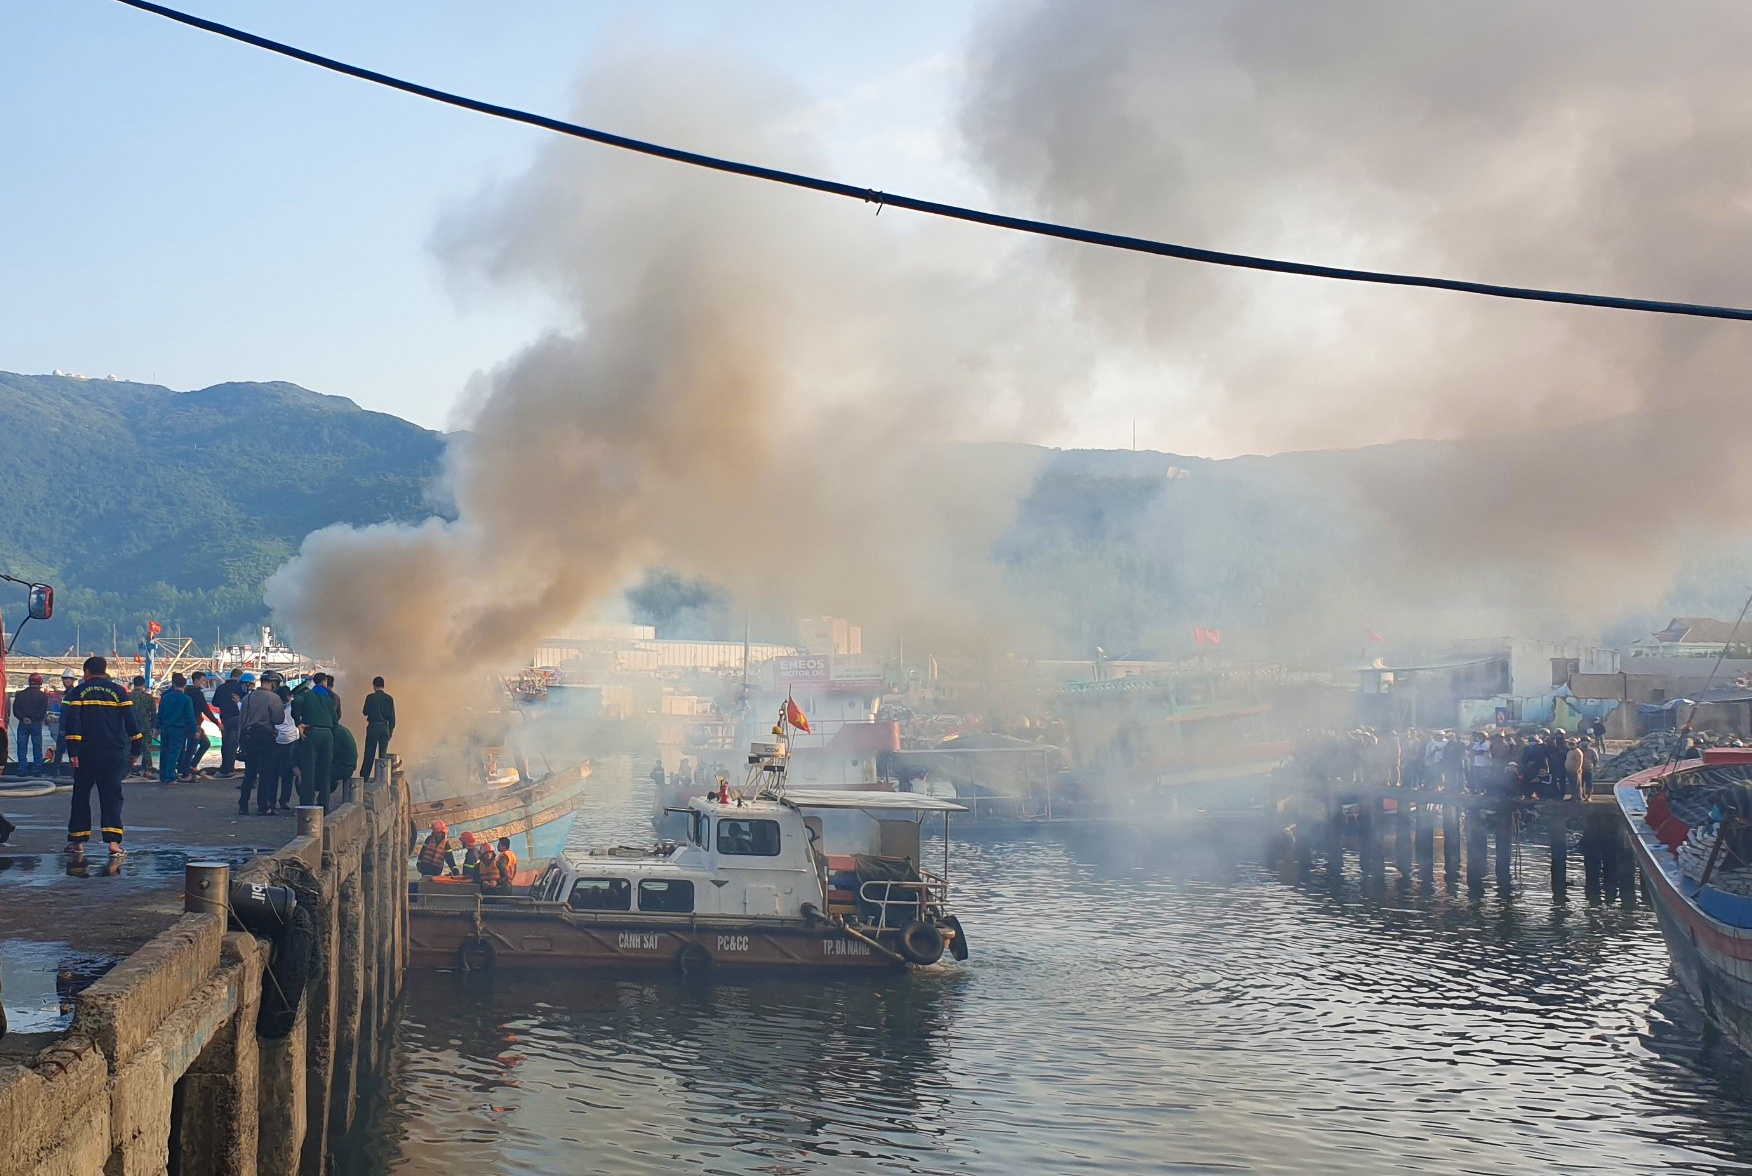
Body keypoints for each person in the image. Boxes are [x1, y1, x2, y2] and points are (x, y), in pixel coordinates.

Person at [63, 655, 141, 857]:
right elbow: (131, 722)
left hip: (86, 754)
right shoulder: (118, 691)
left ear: (87, 672)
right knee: (112, 797)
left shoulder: (78, 692)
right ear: (104, 671)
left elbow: (73, 723)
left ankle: (78, 842)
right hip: (112, 753)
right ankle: (114, 843)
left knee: (81, 796)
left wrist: (73, 751)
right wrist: (136, 750)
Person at [238, 671, 286, 815]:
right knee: (266, 773)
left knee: (250, 773)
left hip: (248, 737)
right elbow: (279, 719)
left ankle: (243, 805)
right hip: (265, 737)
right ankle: (263, 806)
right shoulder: (273, 698)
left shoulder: (248, 697)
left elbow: (242, 720)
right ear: (273, 684)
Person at [291, 671, 339, 809]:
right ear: (324, 682)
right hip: (327, 734)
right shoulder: (329, 700)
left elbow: (295, 704)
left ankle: (307, 805)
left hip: (311, 733)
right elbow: (335, 721)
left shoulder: (306, 695)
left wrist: (298, 722)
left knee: (308, 770)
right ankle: (324, 804)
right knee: (325, 771)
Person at [155, 673, 197, 785]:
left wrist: (156, 727)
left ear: (173, 684)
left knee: (164, 752)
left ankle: (163, 776)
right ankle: (170, 776)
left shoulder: (166, 697)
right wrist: (194, 730)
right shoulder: (186, 699)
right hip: (178, 729)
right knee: (174, 752)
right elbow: (190, 716)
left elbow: (160, 713)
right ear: (185, 685)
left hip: (165, 728)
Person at [210, 668, 250, 778]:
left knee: (225, 744)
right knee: (233, 744)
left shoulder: (221, 688)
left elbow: (215, 703)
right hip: (238, 718)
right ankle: (230, 768)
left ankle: (225, 767)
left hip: (225, 719)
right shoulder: (241, 687)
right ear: (239, 677)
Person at [178, 670, 217, 781]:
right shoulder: (198, 693)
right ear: (196, 680)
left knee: (188, 747)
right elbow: (206, 710)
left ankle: (186, 766)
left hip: (184, 723)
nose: (204, 683)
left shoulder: (185, 692)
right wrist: (217, 722)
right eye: (203, 680)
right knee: (198, 746)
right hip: (195, 724)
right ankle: (188, 769)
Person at [361, 676, 396, 781]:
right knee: (383, 755)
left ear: (374, 686)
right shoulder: (389, 698)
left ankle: (365, 777)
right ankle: (383, 778)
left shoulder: (370, 697)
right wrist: (390, 731)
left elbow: (365, 712)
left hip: (373, 726)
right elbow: (392, 718)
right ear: (383, 685)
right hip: (385, 727)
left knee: (369, 753)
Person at [13, 672, 48, 776]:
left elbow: (15, 710)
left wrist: (24, 718)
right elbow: (42, 711)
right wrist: (33, 719)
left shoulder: (20, 694)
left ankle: (22, 769)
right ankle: (37, 769)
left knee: (22, 747)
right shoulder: (43, 696)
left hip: (23, 723)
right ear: (40, 682)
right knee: (37, 747)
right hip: (36, 724)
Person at [273, 682, 300, 811]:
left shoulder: (275, 705)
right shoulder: (295, 704)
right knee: (287, 774)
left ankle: (271, 801)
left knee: (273, 773)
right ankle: (284, 801)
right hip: (291, 741)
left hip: (277, 740)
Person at [47, 669, 75, 776]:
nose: (65, 681)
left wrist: (63, 728)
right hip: (68, 725)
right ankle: (60, 769)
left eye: (68, 679)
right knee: (65, 749)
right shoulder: (70, 692)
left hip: (68, 726)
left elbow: (67, 712)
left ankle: (57, 769)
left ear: (72, 680)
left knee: (63, 749)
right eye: (64, 679)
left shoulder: (71, 693)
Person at [129, 675, 156, 778]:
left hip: (131, 725)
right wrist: (153, 727)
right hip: (145, 725)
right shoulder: (148, 697)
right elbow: (153, 714)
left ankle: (129, 768)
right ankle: (147, 770)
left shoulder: (128, 696)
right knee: (146, 748)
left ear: (133, 684)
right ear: (144, 684)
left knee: (130, 747)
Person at [331, 718, 358, 799]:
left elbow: (331, 753)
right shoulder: (342, 730)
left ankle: (322, 802)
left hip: (345, 768)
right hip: (349, 766)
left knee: (324, 772)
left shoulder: (336, 733)